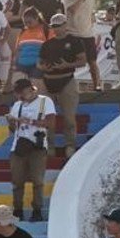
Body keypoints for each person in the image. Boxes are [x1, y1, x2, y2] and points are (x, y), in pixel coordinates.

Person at [37, 14, 89, 156]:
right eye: (54, 26)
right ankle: (50, 145)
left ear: (65, 25)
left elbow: (83, 61)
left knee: (69, 117)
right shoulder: (47, 44)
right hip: (48, 80)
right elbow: (39, 62)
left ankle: (70, 145)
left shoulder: (74, 41)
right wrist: (43, 68)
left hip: (66, 79)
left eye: (59, 25)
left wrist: (67, 65)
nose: (57, 29)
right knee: (47, 117)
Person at [5, 78, 55, 221]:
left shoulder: (45, 102)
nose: (19, 96)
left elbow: (51, 123)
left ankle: (37, 210)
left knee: (37, 180)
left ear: (29, 90)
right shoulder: (17, 105)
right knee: (17, 180)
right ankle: (18, 209)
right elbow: (13, 130)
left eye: (21, 93)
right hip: (19, 146)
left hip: (37, 146)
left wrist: (30, 121)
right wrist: (11, 123)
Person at [62, 0, 103, 91]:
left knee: (92, 62)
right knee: (71, 61)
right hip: (73, 34)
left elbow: (91, 15)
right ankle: (67, 86)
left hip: (88, 34)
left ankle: (97, 85)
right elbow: (72, 10)